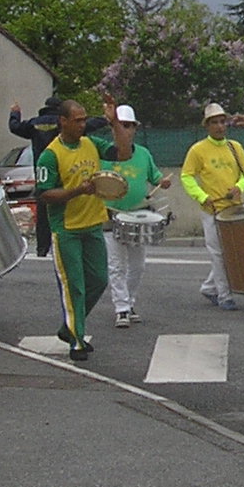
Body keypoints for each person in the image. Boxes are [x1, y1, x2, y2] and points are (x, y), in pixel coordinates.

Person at [33, 100, 108, 361]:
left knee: (99, 279)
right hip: (66, 228)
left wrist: (115, 122)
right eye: (77, 120)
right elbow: (44, 194)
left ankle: (70, 326)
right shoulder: (50, 155)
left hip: (93, 223)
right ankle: (77, 341)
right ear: (62, 121)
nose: (82, 125)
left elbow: (122, 152)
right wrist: (77, 191)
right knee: (74, 285)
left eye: (84, 119)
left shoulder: (91, 143)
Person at [97, 102, 170, 328]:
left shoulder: (143, 154)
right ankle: (121, 308)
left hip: (137, 216)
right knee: (116, 265)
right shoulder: (104, 153)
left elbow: (155, 177)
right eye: (121, 125)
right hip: (110, 216)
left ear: (135, 129)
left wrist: (163, 182)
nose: (125, 130)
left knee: (138, 266)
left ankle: (129, 302)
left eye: (129, 126)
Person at [180, 102, 244, 311]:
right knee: (218, 254)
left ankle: (209, 287)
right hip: (212, 210)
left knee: (233, 252)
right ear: (207, 126)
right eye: (215, 123)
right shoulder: (198, 150)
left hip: (234, 208)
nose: (220, 126)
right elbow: (186, 176)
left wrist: (239, 187)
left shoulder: (235, 147)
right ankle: (224, 295)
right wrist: (202, 197)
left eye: (222, 122)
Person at [7, 97, 63, 256]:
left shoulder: (34, 123)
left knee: (43, 213)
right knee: (63, 211)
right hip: (62, 172)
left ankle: (42, 248)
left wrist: (15, 113)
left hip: (42, 173)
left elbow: (15, 127)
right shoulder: (63, 122)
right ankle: (61, 246)